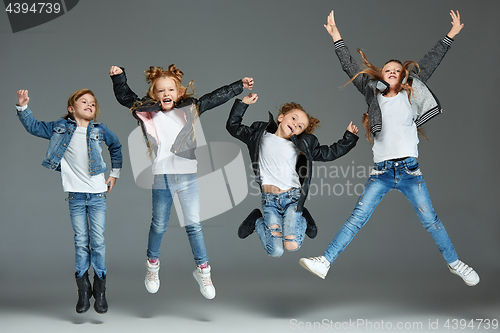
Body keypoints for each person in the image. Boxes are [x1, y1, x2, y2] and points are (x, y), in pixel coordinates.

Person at [299, 10, 479, 286]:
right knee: (356, 218)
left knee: (432, 221)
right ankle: (324, 262)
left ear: (403, 75)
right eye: (388, 70)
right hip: (381, 172)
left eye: (397, 70)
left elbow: (430, 61)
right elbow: (349, 66)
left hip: (410, 172)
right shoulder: (372, 91)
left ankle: (456, 264)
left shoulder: (411, 90)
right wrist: (336, 36)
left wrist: (450, 35)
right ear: (381, 76)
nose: (393, 72)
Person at [109, 64, 253, 299]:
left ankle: (203, 270)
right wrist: (118, 77)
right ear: (153, 95)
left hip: (187, 177)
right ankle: (152, 266)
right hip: (162, 178)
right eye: (160, 91)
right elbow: (126, 97)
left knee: (194, 225)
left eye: (171, 90)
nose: (166, 94)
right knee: (158, 225)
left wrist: (239, 86)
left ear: (179, 93)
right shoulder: (149, 112)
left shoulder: (190, 108)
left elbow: (215, 97)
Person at [16, 89, 123, 313]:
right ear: (71, 109)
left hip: (97, 195)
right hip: (75, 196)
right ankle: (83, 290)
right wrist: (23, 107)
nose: (89, 105)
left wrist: (114, 174)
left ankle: (100, 290)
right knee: (81, 242)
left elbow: (116, 146)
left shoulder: (100, 129)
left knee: (98, 242)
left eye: (93, 103)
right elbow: (34, 127)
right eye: (84, 101)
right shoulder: (60, 127)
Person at [227, 93, 359, 257]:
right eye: (294, 119)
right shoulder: (258, 135)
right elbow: (233, 126)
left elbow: (329, 153)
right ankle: (256, 220)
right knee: (275, 251)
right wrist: (243, 104)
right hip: (269, 201)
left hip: (292, 199)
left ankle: (303, 215)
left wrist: (349, 138)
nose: (296, 125)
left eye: (300, 126)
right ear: (281, 117)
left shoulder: (301, 145)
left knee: (291, 245)